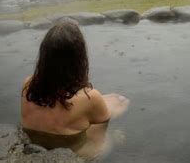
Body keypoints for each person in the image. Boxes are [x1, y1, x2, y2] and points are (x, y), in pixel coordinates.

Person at [21, 21, 129, 158]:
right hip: (72, 154)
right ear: (79, 58)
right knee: (112, 137)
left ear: (44, 56)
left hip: (35, 148)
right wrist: (112, 110)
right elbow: (98, 134)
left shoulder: (28, 84)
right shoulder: (89, 97)